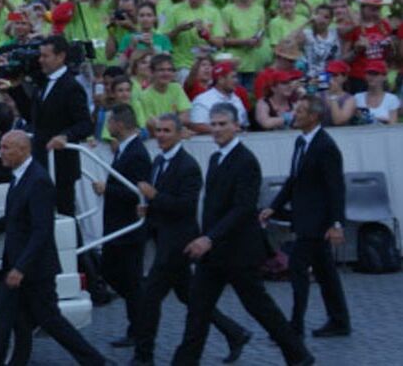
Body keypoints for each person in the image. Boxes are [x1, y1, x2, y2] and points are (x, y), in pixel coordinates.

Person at [172, 103, 314, 366]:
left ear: (237, 126)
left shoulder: (246, 161)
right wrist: (206, 237)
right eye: (213, 124)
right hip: (213, 254)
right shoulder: (215, 159)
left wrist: (208, 238)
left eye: (222, 124)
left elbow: (242, 209)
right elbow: (214, 207)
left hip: (238, 252)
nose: (217, 130)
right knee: (198, 311)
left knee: (260, 307)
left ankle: (298, 355)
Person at [0, 131, 107, 366]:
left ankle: (96, 361)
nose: (1, 152)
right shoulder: (20, 176)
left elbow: (42, 231)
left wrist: (21, 268)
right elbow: (15, 218)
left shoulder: (38, 181)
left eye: (6, 148)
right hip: (18, 266)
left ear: (23, 150)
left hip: (34, 271)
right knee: (3, 322)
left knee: (50, 321)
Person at [131, 114, 250, 366]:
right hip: (165, 239)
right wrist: (149, 208)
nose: (160, 134)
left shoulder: (188, 166)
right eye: (158, 130)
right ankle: (235, 333)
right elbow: (162, 203)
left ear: (179, 134)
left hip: (178, 243)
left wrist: (155, 196)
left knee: (149, 298)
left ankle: (144, 356)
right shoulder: (158, 162)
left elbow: (185, 207)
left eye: (166, 130)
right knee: (193, 299)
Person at [260, 95, 351, 338]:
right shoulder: (302, 142)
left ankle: (295, 326)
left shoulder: (326, 147)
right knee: (325, 273)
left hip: (316, 222)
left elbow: (336, 187)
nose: (294, 114)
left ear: (313, 116)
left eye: (300, 111)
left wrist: (336, 223)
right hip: (305, 218)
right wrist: (274, 206)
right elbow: (294, 179)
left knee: (299, 270)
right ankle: (339, 320)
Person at [5, 35, 91, 216]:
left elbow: (85, 124)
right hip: (41, 159)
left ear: (60, 57)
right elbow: (33, 117)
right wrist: (15, 89)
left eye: (45, 56)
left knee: (64, 212)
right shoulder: (44, 83)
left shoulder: (71, 87)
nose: (40, 60)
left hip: (61, 164)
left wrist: (65, 136)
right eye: (40, 56)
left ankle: (75, 244)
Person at [90, 104, 149, 348]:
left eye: (110, 121)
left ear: (120, 124)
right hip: (119, 228)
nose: (107, 126)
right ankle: (139, 323)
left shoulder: (136, 153)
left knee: (129, 281)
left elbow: (138, 192)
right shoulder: (125, 150)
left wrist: (108, 189)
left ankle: (141, 327)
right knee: (115, 275)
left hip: (129, 229)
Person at [189, 61, 249, 133]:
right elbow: (197, 126)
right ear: (221, 79)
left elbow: (244, 124)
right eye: (233, 77)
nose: (236, 81)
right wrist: (226, 130)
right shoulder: (203, 100)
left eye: (236, 77)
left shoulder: (236, 99)